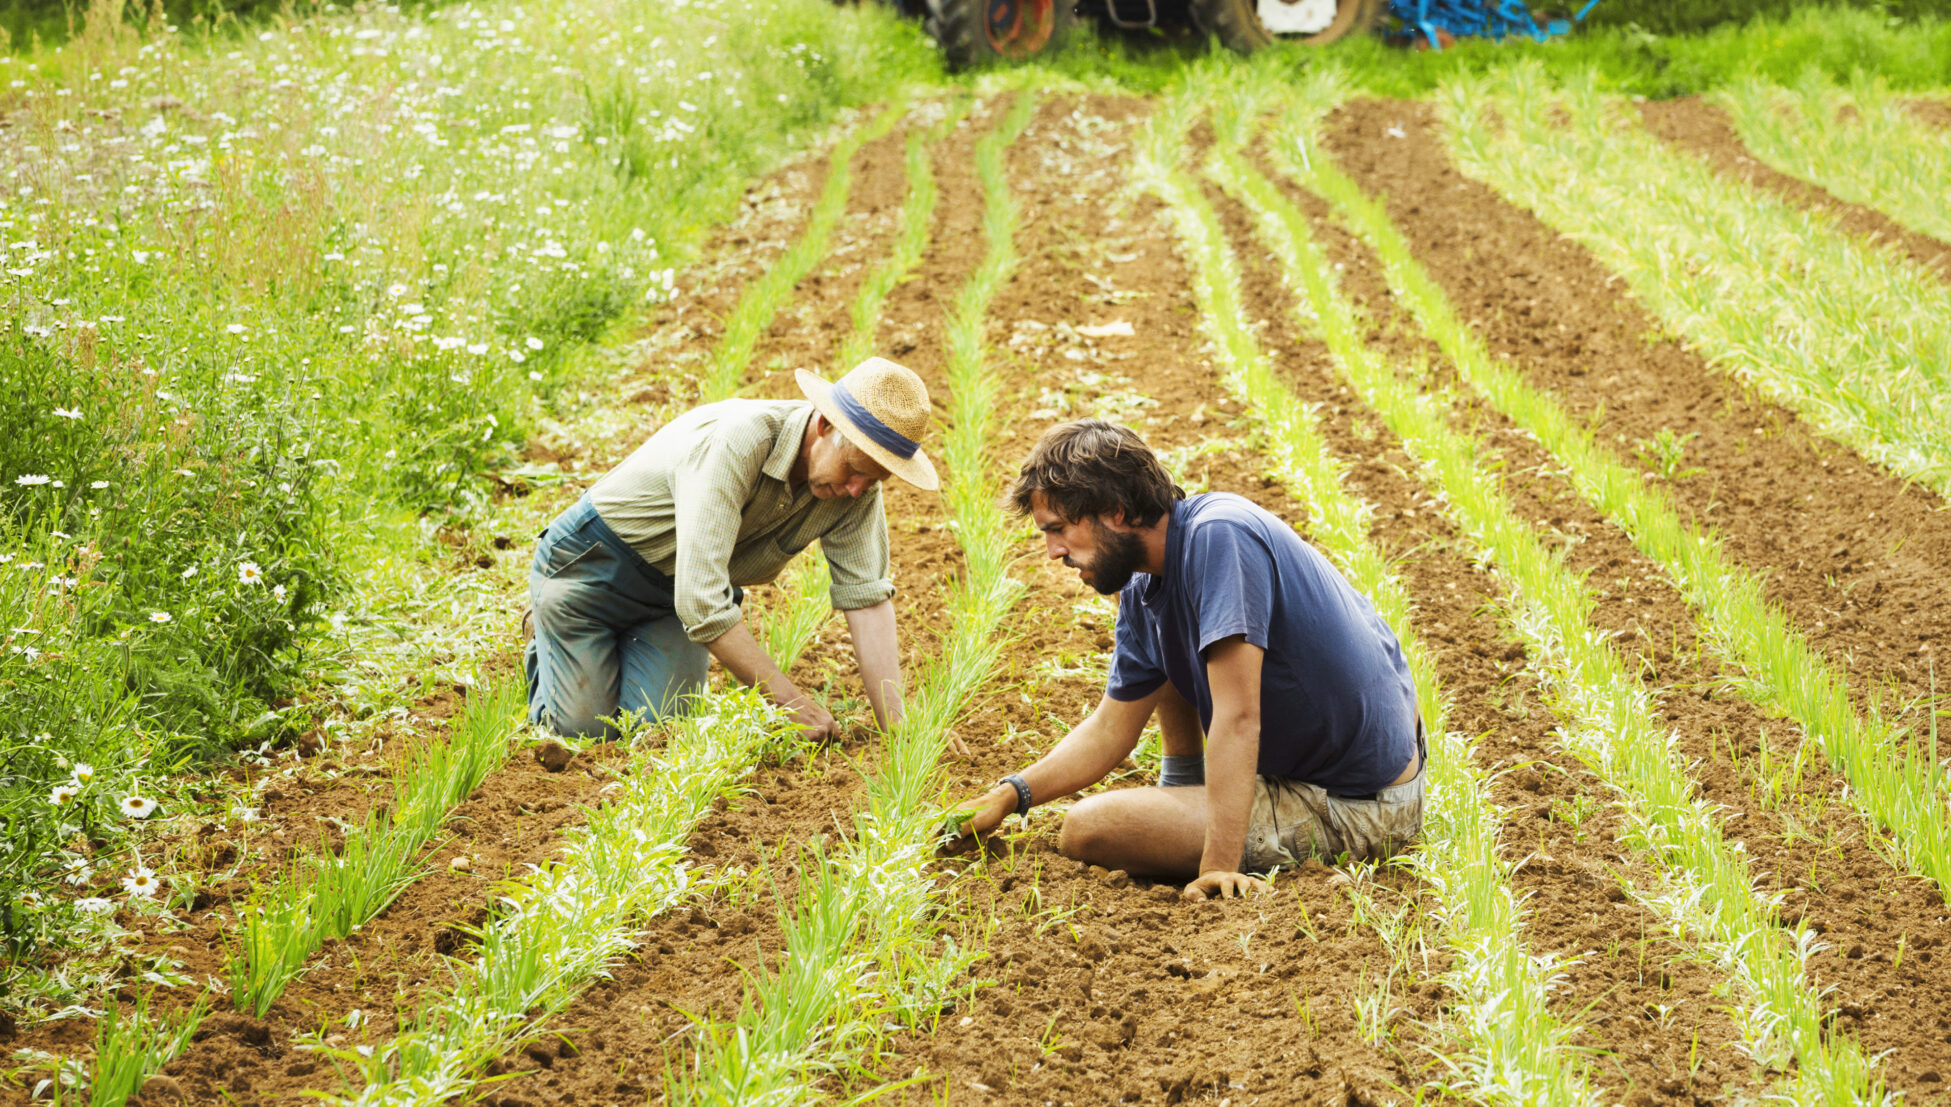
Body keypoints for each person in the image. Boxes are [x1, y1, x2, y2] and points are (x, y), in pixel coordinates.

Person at [958, 420, 1425, 898]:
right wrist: (1009, 795)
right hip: (1316, 769)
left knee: (1088, 827)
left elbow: (1239, 717)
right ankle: (1185, 785)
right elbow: (1109, 729)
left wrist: (1218, 866)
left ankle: (1202, 816)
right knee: (1167, 645)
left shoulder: (1219, 536)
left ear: (1116, 511)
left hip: (1360, 802)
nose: (1054, 552)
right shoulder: (1144, 587)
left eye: (1058, 530)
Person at [523, 357, 940, 741]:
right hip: (590, 574)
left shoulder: (856, 491)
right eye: (853, 470)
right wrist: (790, 702)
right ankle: (542, 630)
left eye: (873, 479)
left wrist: (900, 729)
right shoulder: (740, 441)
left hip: (670, 601)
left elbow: (866, 600)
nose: (856, 489)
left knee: (657, 732)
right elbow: (703, 602)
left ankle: (609, 655)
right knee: (585, 732)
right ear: (825, 426)